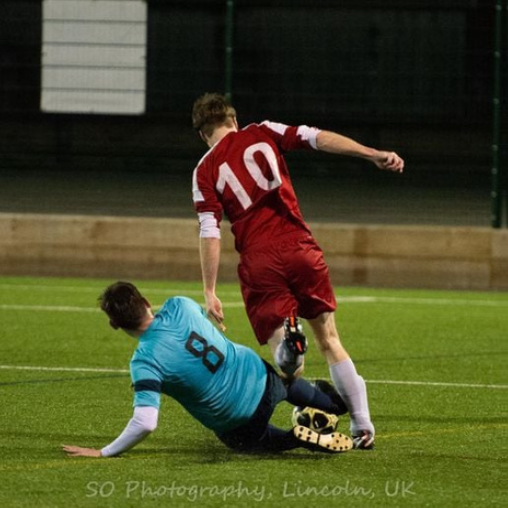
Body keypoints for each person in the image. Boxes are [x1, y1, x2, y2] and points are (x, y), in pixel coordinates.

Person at [191, 93, 405, 449]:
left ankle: (290, 350)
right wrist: (371, 154)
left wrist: (209, 289)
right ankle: (363, 427)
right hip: (300, 248)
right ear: (234, 119)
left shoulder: (204, 170)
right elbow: (318, 137)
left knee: (290, 369)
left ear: (202, 134)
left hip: (259, 261)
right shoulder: (263, 132)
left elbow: (209, 230)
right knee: (331, 340)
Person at [62, 281, 352, 458]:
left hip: (238, 419)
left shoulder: (144, 362)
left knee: (254, 443)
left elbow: (146, 422)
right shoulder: (180, 305)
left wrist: (104, 451)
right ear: (148, 302)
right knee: (286, 383)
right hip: (259, 375)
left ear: (115, 325)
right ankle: (332, 404)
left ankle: (294, 436)